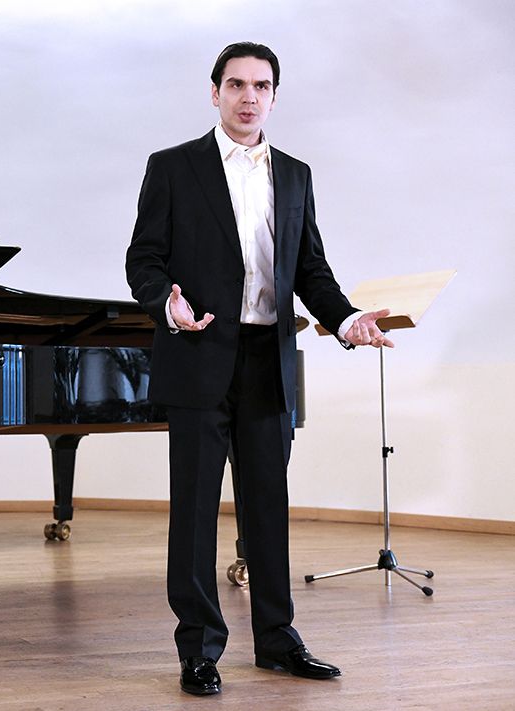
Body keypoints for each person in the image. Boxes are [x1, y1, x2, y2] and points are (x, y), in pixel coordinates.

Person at [125, 42, 393, 695]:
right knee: (194, 510)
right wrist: (166, 302)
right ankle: (199, 649)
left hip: (269, 359)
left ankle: (277, 639)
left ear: (274, 96)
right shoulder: (173, 166)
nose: (249, 97)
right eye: (237, 84)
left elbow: (310, 270)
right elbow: (143, 260)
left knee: (268, 506)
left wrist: (347, 319)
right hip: (198, 353)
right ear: (214, 92)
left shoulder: (295, 174)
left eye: (261, 86)